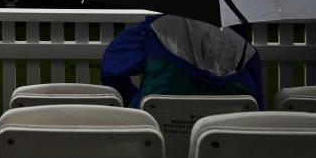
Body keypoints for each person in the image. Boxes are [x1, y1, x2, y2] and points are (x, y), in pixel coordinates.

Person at [101, 14, 264, 109]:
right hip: (226, 149)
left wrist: (135, 100)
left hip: (155, 137)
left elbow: (111, 70)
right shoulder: (246, 52)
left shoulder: (153, 31)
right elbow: (255, 106)